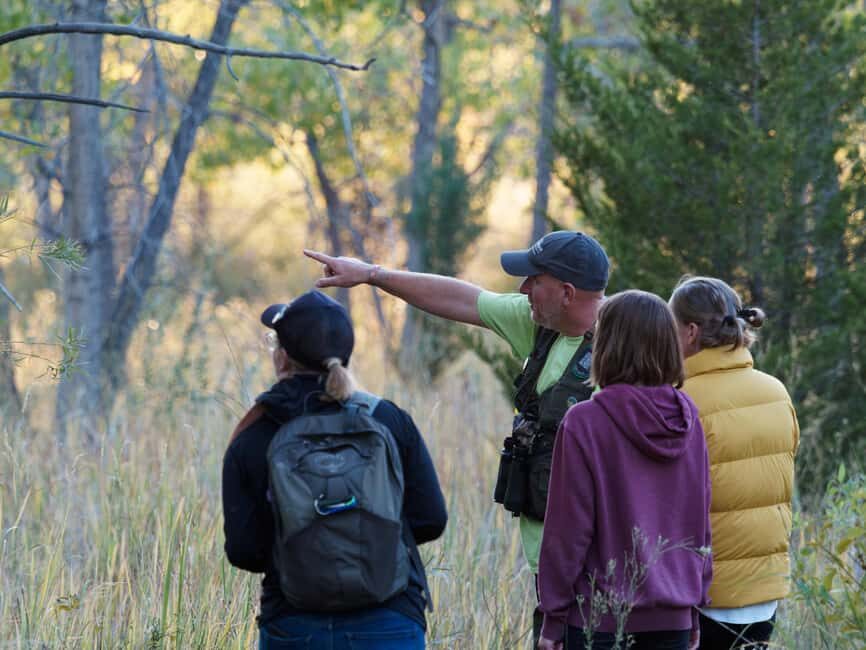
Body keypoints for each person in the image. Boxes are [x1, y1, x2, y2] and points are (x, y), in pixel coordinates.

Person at [305, 230, 610, 642]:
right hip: (551, 564)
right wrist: (371, 275)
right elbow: (462, 299)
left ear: (567, 293)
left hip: (601, 567)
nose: (523, 289)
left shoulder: (622, 347)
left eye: (535, 280)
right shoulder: (542, 322)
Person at [222, 290, 447, 650]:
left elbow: (244, 551)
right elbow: (431, 520)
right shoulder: (388, 420)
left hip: (294, 624)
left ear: (282, 358)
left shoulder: (256, 432)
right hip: (389, 620)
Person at [538, 290, 712, 650]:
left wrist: (552, 619)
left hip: (599, 621)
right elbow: (699, 523)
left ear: (606, 344)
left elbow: (567, 531)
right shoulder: (688, 417)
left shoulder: (585, 421)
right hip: (675, 616)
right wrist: (695, 607)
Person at [669, 276, 799, 650]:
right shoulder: (776, 391)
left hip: (706, 598)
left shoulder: (680, 400)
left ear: (690, 332)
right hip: (765, 595)